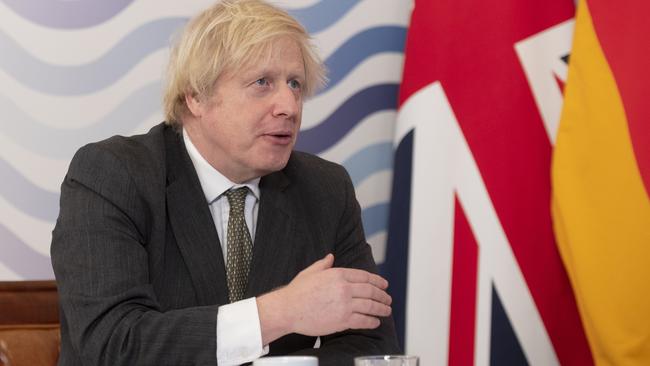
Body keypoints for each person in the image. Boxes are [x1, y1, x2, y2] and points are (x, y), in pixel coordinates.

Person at [51, 0, 400, 365]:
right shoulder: (113, 175)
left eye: (294, 84)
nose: (289, 106)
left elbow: (373, 347)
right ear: (197, 96)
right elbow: (113, 345)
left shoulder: (325, 188)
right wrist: (280, 312)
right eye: (262, 82)